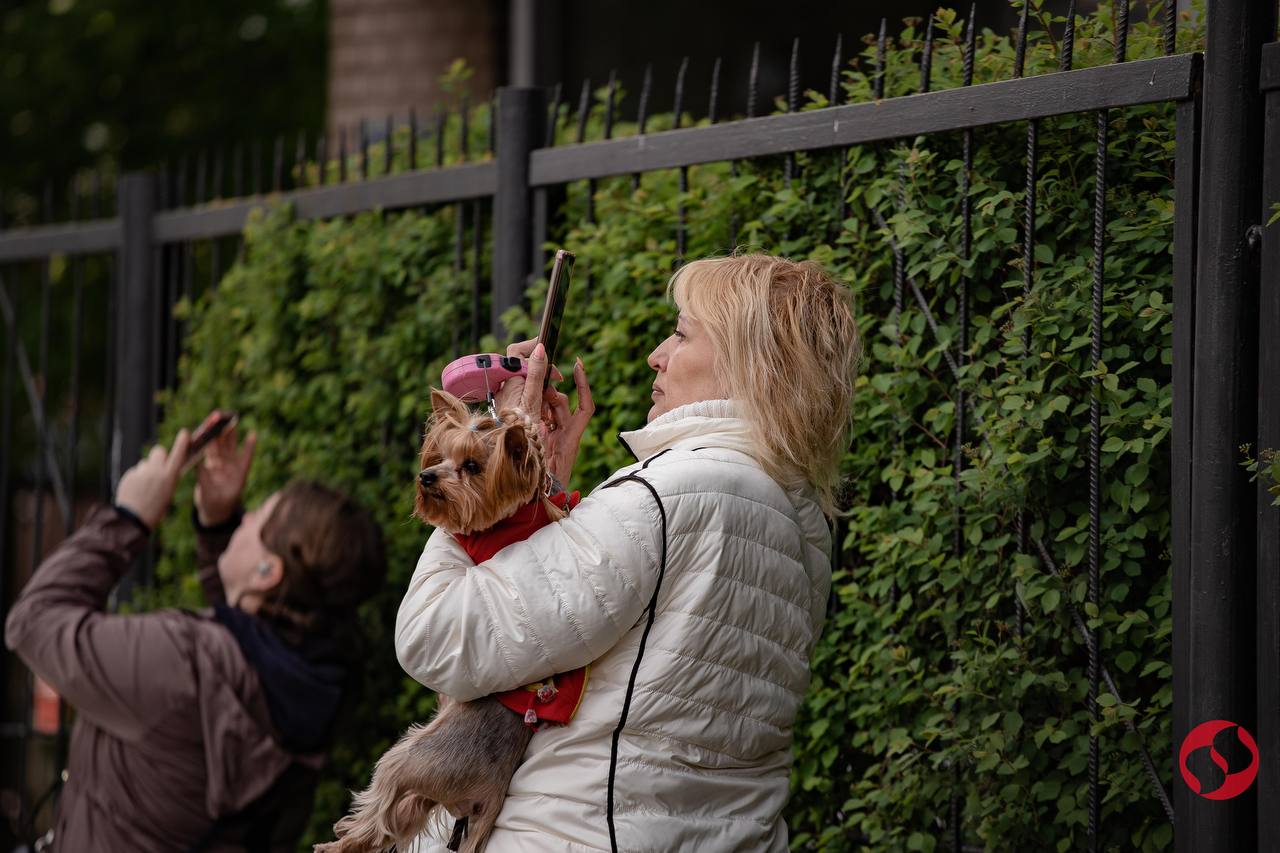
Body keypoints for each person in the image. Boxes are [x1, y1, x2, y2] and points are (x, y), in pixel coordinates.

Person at [395, 253, 861, 851]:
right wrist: (532, 487)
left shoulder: (669, 497)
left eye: (682, 332)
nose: (657, 355)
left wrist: (484, 484)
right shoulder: (798, 521)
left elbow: (436, 637)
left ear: (750, 362)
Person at [4, 415, 386, 852]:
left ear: (269, 571)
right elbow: (239, 659)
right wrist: (219, 523)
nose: (246, 520)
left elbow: (34, 620)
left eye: (256, 518)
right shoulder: (313, 689)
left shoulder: (181, 659)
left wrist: (127, 517)